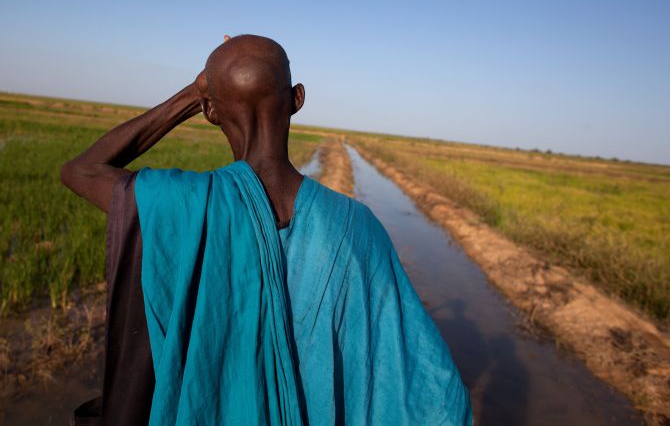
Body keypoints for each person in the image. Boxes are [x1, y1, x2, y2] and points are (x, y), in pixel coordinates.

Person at [60, 34, 472, 425]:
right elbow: (431, 392)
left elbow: (82, 170)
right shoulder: (355, 226)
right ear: (297, 99)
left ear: (210, 112)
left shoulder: (183, 203)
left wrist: (192, 94)